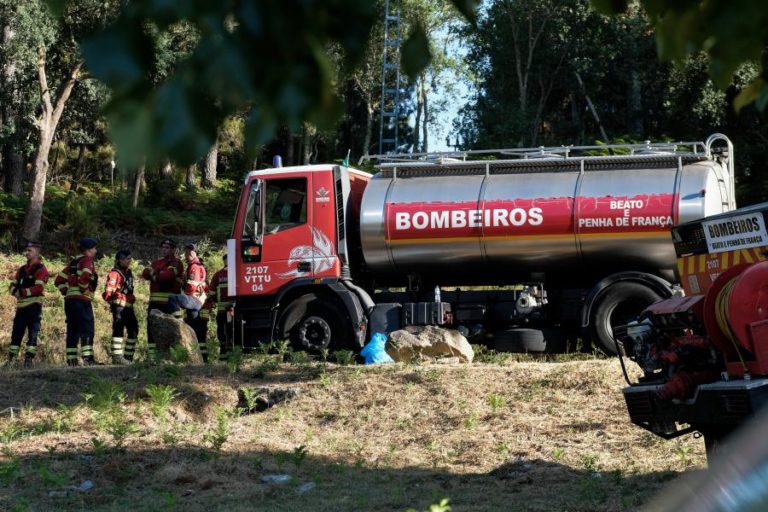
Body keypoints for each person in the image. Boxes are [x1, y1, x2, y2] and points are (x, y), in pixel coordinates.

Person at [55, 237, 99, 366]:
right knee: (87, 328)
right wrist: (84, 289)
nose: (96, 251)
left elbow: (58, 280)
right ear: (89, 250)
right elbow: (85, 276)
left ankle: (72, 360)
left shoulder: (73, 263)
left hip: (70, 301)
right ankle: (88, 359)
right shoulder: (88, 260)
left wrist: (66, 291)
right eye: (95, 248)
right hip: (81, 301)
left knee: (72, 329)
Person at [7, 241, 49, 368]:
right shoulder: (22, 269)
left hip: (33, 307)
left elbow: (39, 288)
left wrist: (23, 292)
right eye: (26, 250)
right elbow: (12, 285)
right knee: (16, 335)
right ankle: (11, 361)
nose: (27, 253)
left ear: (37, 252)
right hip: (21, 308)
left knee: (32, 335)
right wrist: (15, 292)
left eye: (29, 250)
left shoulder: (41, 269)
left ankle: (28, 361)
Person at [141, 239, 183, 358]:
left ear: (174, 249)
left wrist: (153, 274)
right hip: (154, 303)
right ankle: (152, 357)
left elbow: (166, 277)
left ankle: (176, 356)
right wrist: (156, 273)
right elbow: (144, 273)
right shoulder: (156, 262)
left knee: (173, 330)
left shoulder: (177, 263)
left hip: (169, 304)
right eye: (163, 247)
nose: (164, 249)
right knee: (151, 330)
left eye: (167, 247)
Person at [167, 242, 208, 360]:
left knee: (173, 299)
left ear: (192, 253)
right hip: (199, 301)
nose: (185, 254)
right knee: (195, 331)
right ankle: (202, 358)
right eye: (186, 251)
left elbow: (191, 287)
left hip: (194, 299)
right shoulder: (197, 265)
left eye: (187, 252)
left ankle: (179, 323)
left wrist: (183, 291)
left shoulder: (194, 266)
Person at [102, 249, 137, 364]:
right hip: (119, 307)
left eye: (129, 258)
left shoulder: (128, 273)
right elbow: (108, 292)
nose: (129, 261)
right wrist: (114, 295)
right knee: (118, 329)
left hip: (128, 306)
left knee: (134, 330)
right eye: (126, 259)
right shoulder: (115, 274)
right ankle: (117, 357)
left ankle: (128, 358)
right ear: (120, 260)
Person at [208, 254, 234, 360]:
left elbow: (211, 292)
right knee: (230, 331)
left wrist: (213, 301)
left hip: (222, 310)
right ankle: (230, 353)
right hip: (231, 310)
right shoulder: (236, 273)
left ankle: (223, 354)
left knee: (222, 331)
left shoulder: (218, 275)